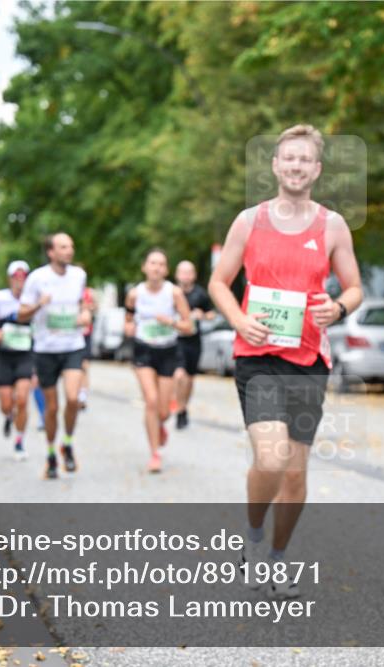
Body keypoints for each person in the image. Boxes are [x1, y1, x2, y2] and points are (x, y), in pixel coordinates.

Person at [209, 124, 363, 598]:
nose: (296, 166)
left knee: (295, 474)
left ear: (316, 169)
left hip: (309, 360)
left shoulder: (332, 225)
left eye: (305, 160)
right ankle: (253, 535)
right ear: (275, 165)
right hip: (257, 355)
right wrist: (238, 319)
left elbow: (354, 288)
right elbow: (219, 282)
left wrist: (337, 308)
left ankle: (276, 558)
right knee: (271, 457)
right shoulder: (249, 221)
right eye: (288, 158)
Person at [17, 233, 92, 479]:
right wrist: (39, 304)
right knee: (52, 408)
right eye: (63, 247)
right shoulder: (37, 278)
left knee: (73, 400)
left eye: (71, 246)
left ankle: (67, 443)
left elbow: (83, 303)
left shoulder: (79, 275)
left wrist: (85, 313)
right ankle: (50, 453)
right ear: (51, 252)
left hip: (72, 345)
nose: (69, 250)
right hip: (45, 349)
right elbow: (21, 314)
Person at [124, 249, 193, 473]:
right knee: (151, 402)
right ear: (144, 267)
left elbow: (188, 325)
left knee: (163, 411)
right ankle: (155, 453)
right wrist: (129, 328)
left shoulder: (174, 294)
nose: (157, 268)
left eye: (162, 264)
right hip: (144, 350)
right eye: (153, 263)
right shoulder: (135, 294)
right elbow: (127, 321)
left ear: (167, 269)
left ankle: (160, 425)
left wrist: (171, 321)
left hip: (168, 351)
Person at [0, 261, 34, 461]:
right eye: (16, 277)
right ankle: (9, 416)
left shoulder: (33, 299)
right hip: (4, 355)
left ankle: (19, 441)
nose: (20, 281)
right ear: (10, 278)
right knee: (5, 403)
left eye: (23, 277)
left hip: (25, 355)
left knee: (22, 399)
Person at [173, 260, 216, 429]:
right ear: (177, 275)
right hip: (175, 340)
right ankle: (179, 407)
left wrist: (202, 316)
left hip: (193, 341)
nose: (186, 276)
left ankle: (183, 408)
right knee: (179, 375)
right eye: (183, 272)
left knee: (189, 379)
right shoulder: (171, 293)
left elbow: (212, 314)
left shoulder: (200, 294)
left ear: (194, 275)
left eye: (189, 272)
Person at [78, 284, 97, 409]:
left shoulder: (90, 292)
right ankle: (76, 393)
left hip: (86, 334)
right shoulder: (68, 290)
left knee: (85, 366)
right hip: (71, 334)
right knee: (75, 368)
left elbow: (96, 307)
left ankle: (83, 396)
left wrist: (89, 307)